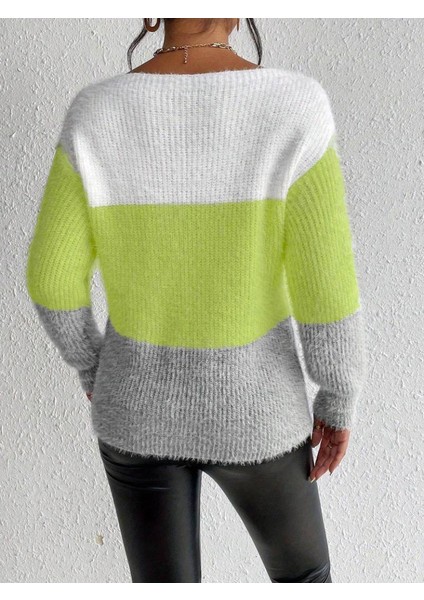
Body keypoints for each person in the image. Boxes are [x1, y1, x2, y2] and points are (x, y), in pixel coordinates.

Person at [25, 18, 367, 583]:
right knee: (305, 581)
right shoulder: (293, 106)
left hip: (133, 408)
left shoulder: (95, 113)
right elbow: (326, 285)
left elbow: (50, 279)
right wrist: (337, 399)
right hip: (255, 411)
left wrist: (94, 367)